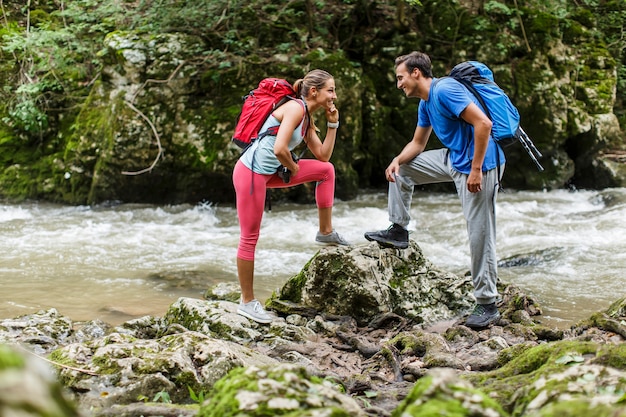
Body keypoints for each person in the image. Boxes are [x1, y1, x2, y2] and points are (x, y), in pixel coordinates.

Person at [364, 52, 505, 329]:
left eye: (400, 78)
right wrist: (397, 160)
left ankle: (487, 303)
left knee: (479, 232)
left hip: (482, 164)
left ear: (417, 73)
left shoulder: (445, 90)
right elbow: (418, 143)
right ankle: (398, 229)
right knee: (402, 170)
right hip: (455, 158)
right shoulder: (426, 103)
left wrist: (476, 170)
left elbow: (483, 124)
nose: (398, 84)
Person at [233, 69, 350, 324]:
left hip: (270, 173)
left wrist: (333, 123)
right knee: (250, 237)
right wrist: (294, 167)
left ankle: (325, 231)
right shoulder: (295, 109)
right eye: (330, 90)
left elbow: (323, 155)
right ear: (314, 91)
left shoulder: (306, 118)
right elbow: (280, 148)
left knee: (326, 171)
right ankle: (247, 302)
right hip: (250, 173)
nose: (334, 95)